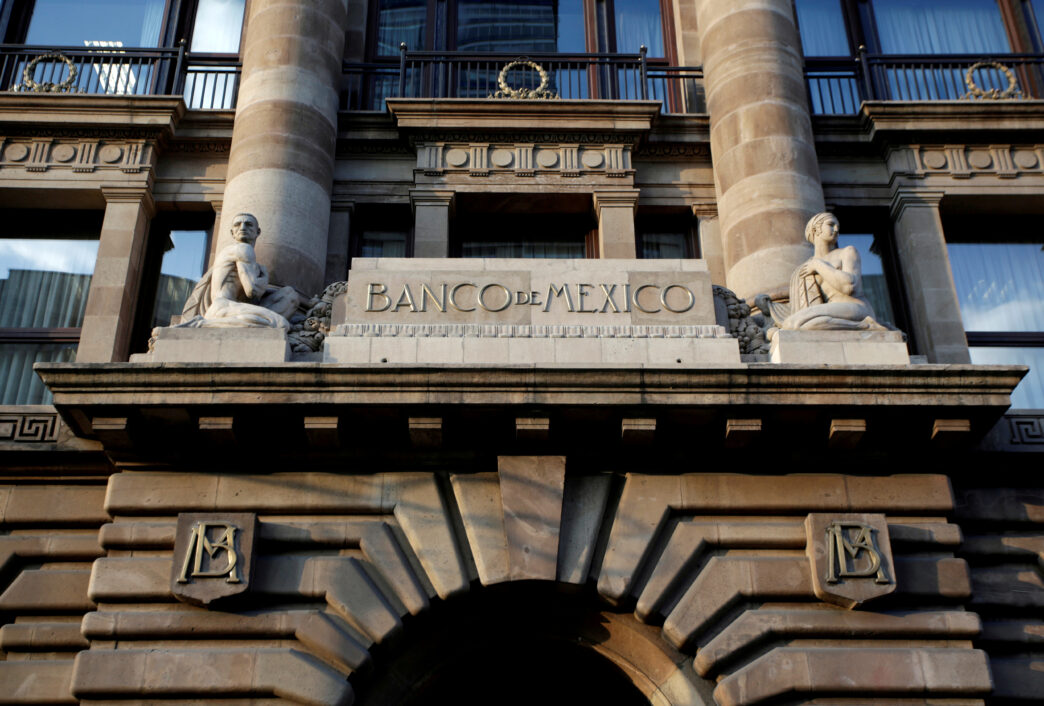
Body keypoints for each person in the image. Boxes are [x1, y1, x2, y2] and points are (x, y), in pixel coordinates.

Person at [755, 212, 886, 332]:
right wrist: (771, 307)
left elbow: (849, 286)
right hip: (831, 311)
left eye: (837, 226)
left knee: (794, 323)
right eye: (831, 225)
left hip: (856, 307)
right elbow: (803, 304)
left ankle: (866, 324)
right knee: (794, 325)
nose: (836, 229)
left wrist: (818, 265)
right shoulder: (806, 267)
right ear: (815, 229)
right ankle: (864, 326)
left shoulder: (847, 252)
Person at [177, 213, 299, 329]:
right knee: (281, 324)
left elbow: (252, 298)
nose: (242, 227)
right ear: (232, 233)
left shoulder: (244, 256)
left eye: (248, 224)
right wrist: (265, 276)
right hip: (223, 307)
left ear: (258, 232)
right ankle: (202, 324)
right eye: (237, 224)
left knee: (290, 296)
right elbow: (253, 290)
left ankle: (228, 323)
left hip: (232, 307)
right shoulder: (242, 249)